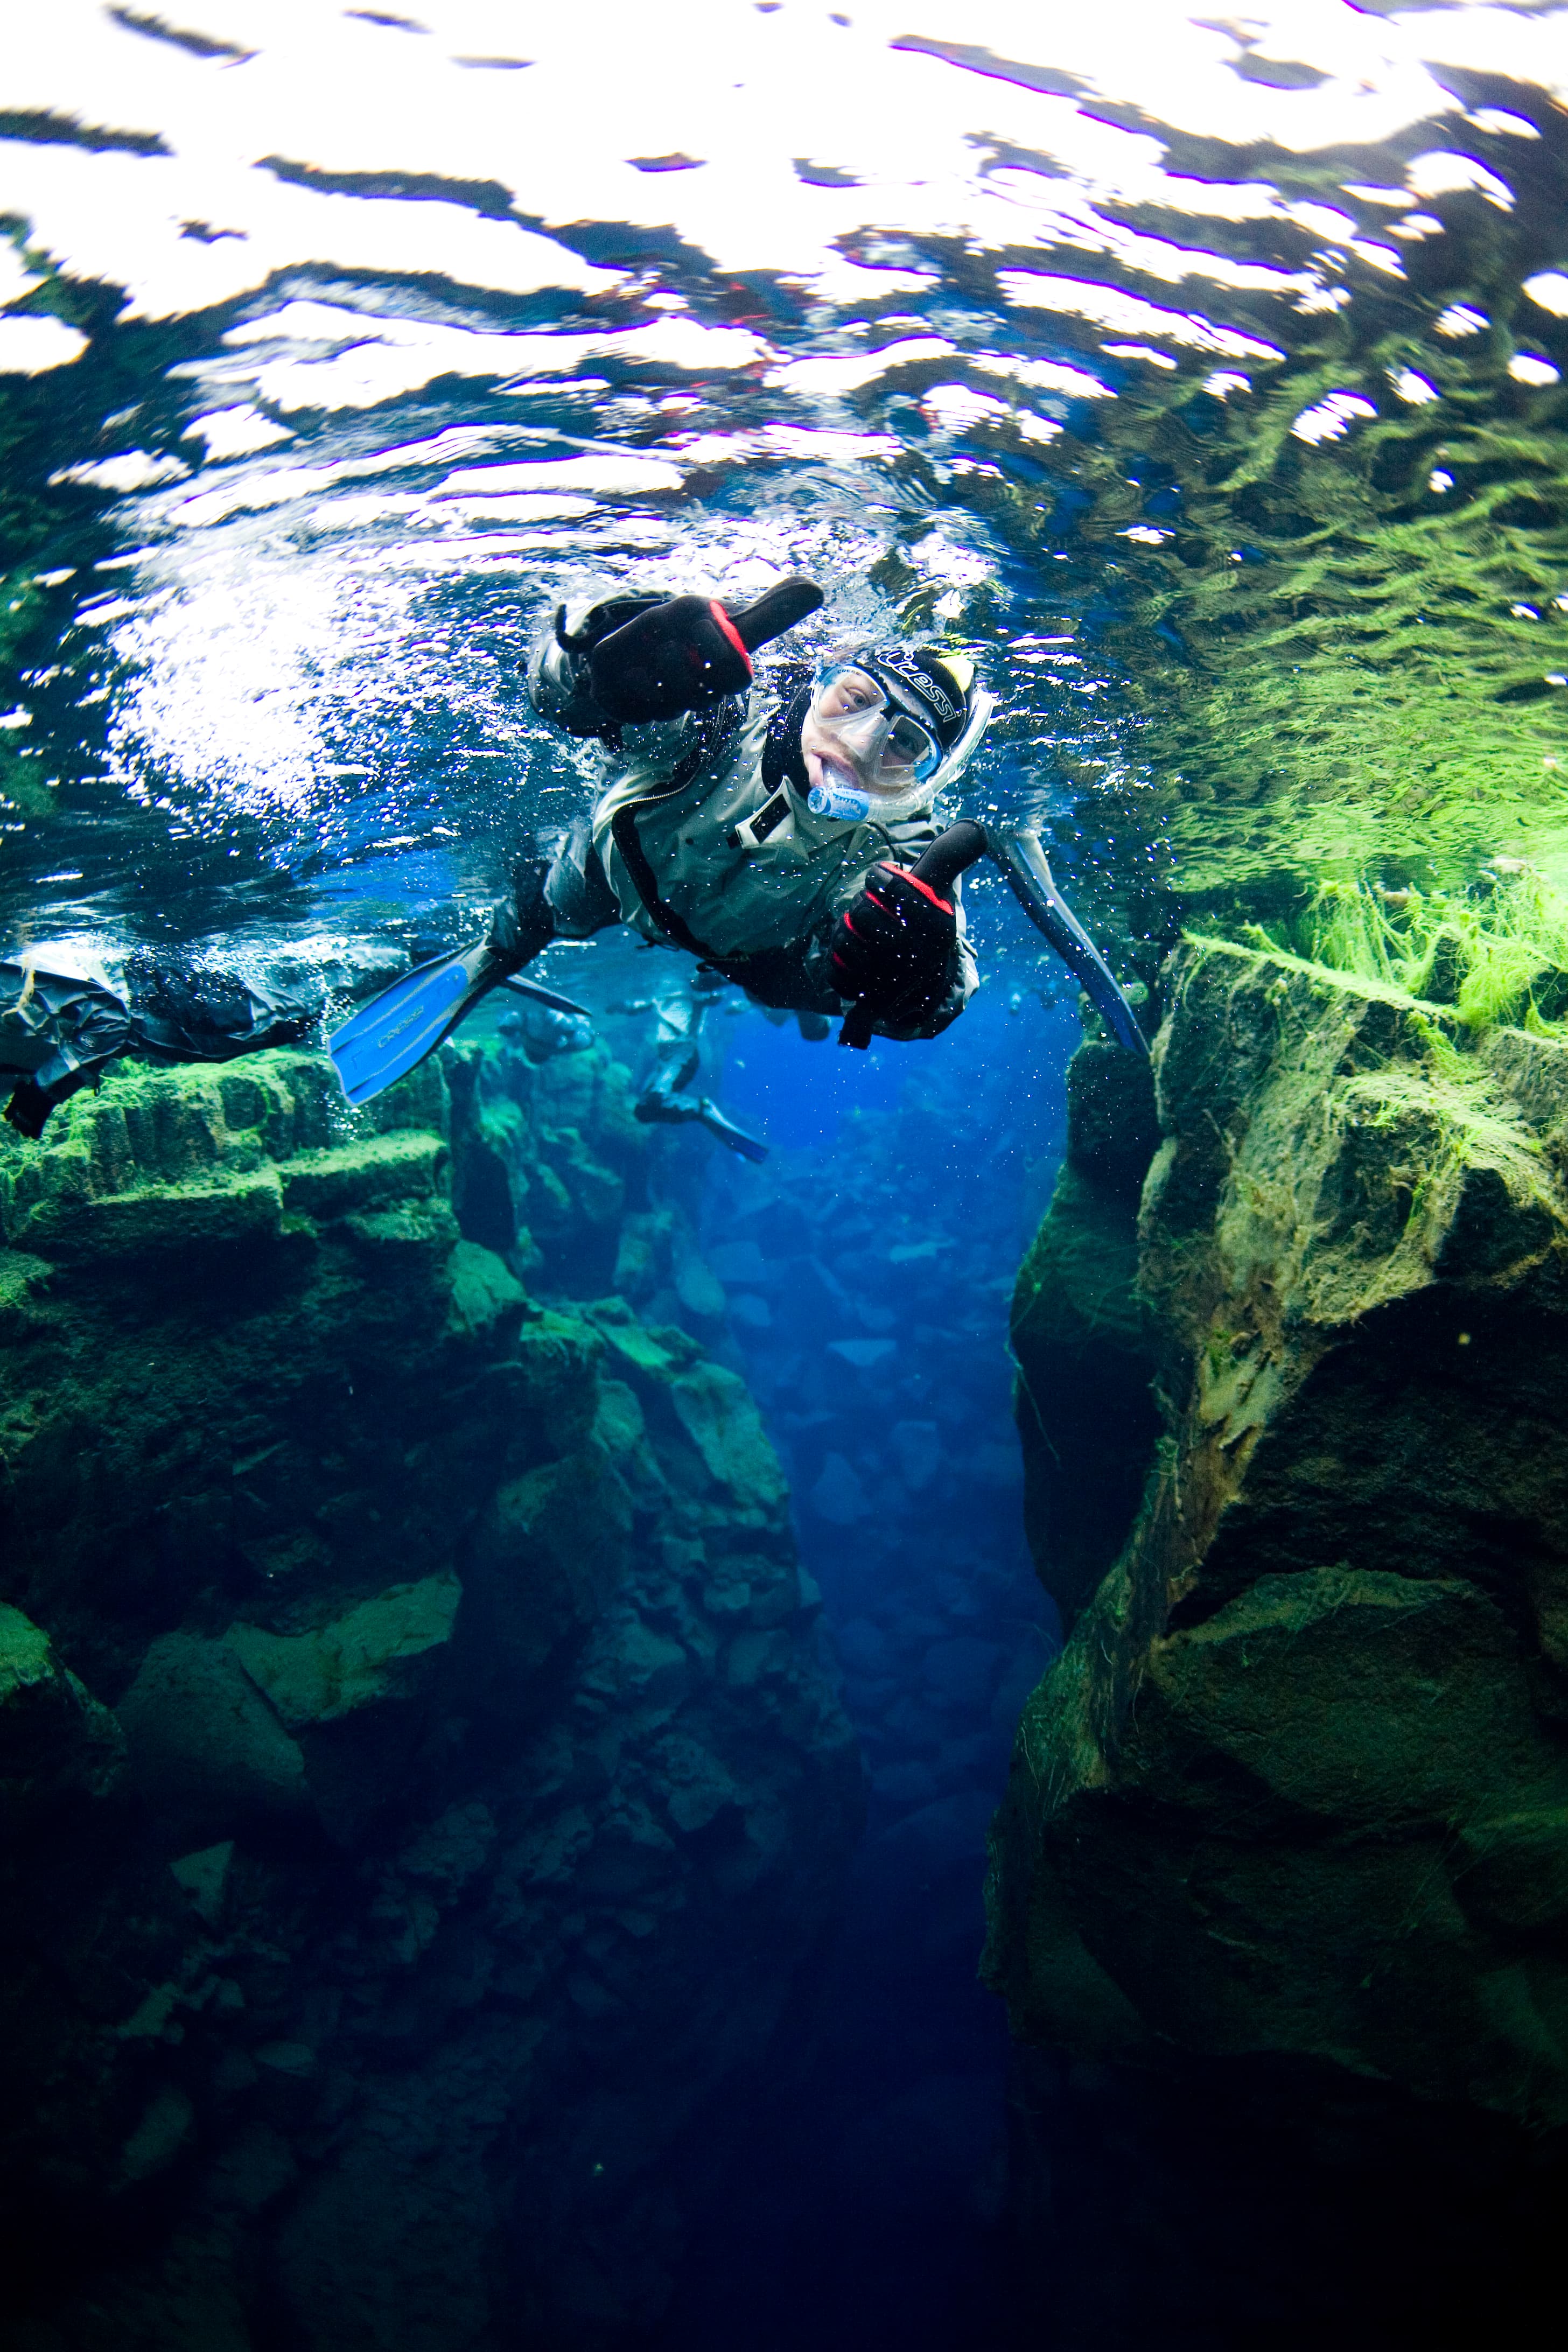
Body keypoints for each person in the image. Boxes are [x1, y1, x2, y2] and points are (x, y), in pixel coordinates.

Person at [330, 576, 999, 1106]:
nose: (855, 748)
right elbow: (561, 698)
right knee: (542, 913)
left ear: (928, 778)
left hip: (757, 960)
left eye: (903, 746)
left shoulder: (906, 846)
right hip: (611, 869)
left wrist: (918, 982)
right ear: (815, 684)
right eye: (852, 701)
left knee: (825, 980)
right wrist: (598, 666)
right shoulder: (722, 711)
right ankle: (496, 949)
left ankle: (806, 990)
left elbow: (941, 994)